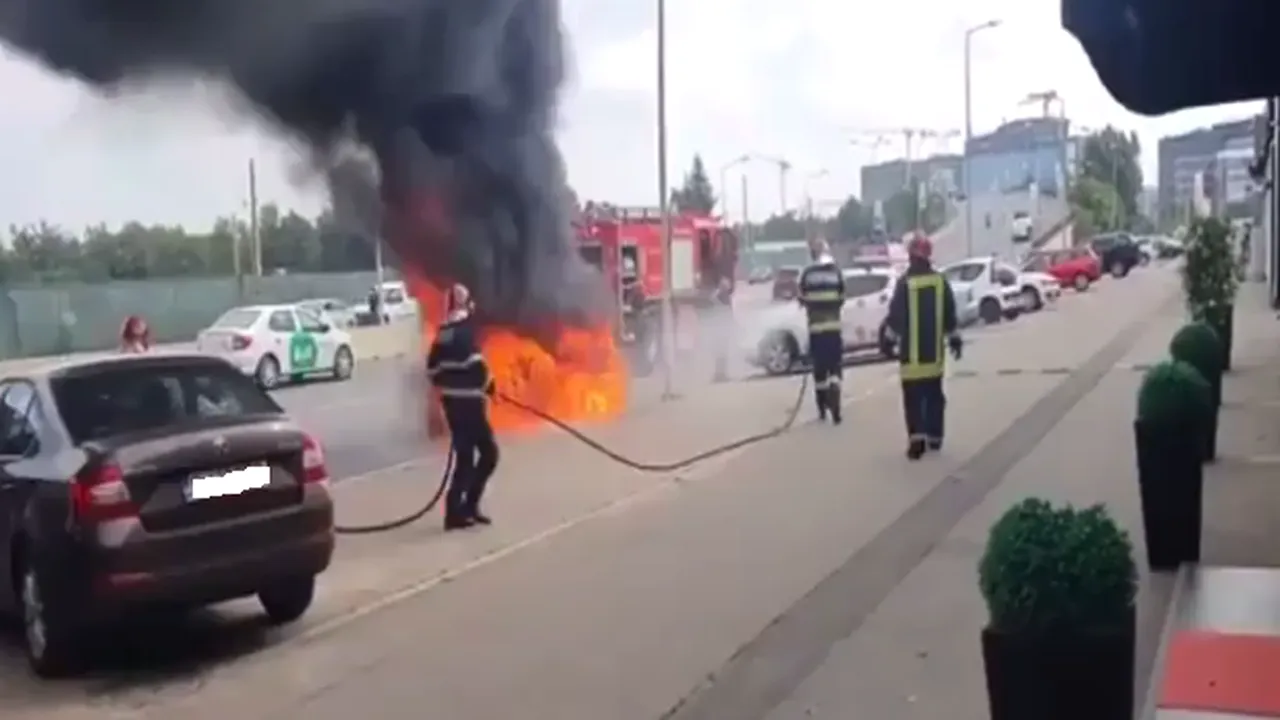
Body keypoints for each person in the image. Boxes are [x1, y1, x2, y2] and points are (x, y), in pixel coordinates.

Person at [425, 283, 500, 530]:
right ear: (466, 304)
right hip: (470, 404)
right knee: (489, 454)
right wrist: (489, 386)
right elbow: (477, 365)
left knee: (465, 458)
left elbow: (432, 370)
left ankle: (457, 511)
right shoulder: (467, 331)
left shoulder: (443, 332)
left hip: (452, 405)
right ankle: (466, 507)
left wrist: (448, 387)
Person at [883, 234, 962, 460]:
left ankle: (917, 440)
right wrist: (954, 338)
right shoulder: (939, 282)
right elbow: (950, 315)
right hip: (933, 356)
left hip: (910, 357)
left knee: (913, 399)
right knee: (934, 396)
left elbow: (895, 317)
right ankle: (935, 437)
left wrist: (888, 341)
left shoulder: (905, 283)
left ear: (911, 255)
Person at [797, 238, 846, 423]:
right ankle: (835, 395)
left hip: (816, 329)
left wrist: (810, 303)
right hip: (833, 327)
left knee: (819, 371)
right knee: (835, 367)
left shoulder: (807, 274)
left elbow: (801, 298)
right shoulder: (836, 272)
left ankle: (822, 408)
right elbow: (842, 297)